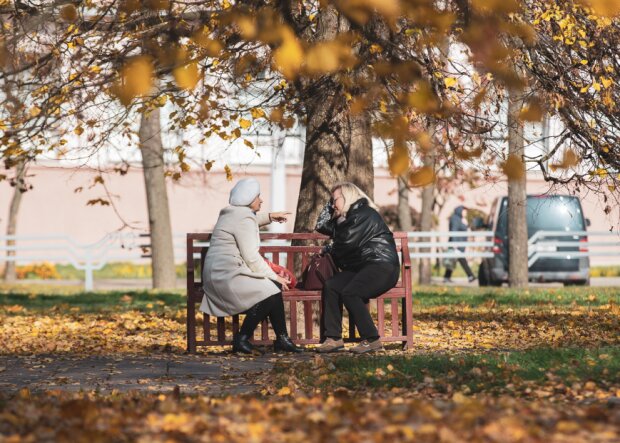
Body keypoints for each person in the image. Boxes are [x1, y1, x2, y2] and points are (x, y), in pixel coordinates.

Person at [199, 178, 302, 354]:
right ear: (249, 199)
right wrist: (275, 275)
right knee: (271, 289)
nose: (261, 200)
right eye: (258, 196)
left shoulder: (232, 213)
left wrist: (269, 217)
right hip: (225, 277)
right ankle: (243, 338)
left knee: (272, 289)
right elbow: (252, 257)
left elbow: (248, 221)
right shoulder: (242, 218)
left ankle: (282, 339)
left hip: (218, 274)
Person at [315, 182, 400, 354]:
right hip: (364, 267)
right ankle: (334, 339)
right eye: (331, 201)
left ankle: (372, 339)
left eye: (335, 200)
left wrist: (330, 247)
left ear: (348, 197)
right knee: (332, 285)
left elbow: (344, 243)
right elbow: (321, 225)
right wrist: (332, 203)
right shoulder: (346, 219)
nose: (332, 205)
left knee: (350, 292)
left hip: (382, 266)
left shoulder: (363, 214)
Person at [443, 205, 476, 283]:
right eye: (464, 211)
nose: (465, 212)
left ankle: (446, 277)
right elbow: (453, 230)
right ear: (460, 210)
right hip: (456, 245)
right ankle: (470, 276)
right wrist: (454, 244)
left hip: (459, 244)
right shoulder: (455, 219)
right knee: (462, 260)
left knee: (452, 261)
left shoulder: (460, 219)